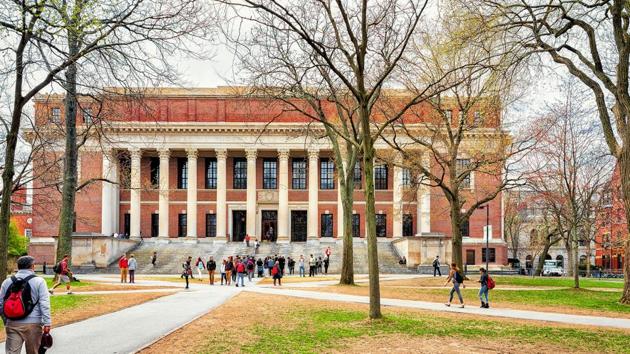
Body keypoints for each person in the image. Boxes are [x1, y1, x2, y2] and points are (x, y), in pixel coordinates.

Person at [0, 256, 51, 354]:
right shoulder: (39, 281)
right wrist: (47, 322)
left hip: (12, 323)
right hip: (33, 324)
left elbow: (1, 304)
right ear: (32, 266)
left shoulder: (7, 282)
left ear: (18, 266)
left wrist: (7, 320)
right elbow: (44, 303)